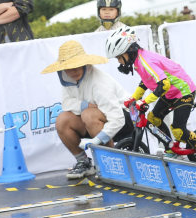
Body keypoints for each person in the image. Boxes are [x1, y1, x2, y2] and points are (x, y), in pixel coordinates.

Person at [105, 25, 196, 156]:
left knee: (178, 130)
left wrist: (145, 101)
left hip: (184, 91)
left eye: (119, 57)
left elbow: (164, 84)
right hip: (171, 93)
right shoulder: (138, 61)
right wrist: (133, 99)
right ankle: (170, 147)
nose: (119, 61)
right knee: (153, 119)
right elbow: (145, 82)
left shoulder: (145, 61)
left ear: (128, 51)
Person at [41, 40, 131, 180]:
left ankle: (112, 163)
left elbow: (118, 118)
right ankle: (84, 162)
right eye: (69, 67)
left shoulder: (99, 82)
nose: (73, 71)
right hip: (95, 121)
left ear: (84, 64)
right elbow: (67, 103)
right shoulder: (67, 78)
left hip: (125, 121)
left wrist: (97, 140)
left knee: (89, 115)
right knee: (62, 120)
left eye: (77, 66)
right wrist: (85, 105)